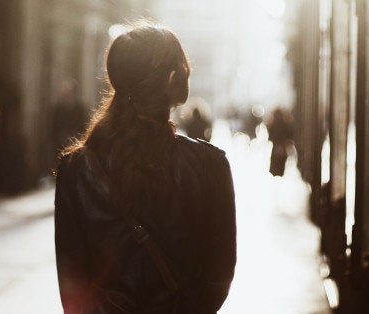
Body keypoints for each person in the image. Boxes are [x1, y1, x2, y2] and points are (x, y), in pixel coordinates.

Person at [54, 25, 236, 313]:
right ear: (175, 80)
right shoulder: (209, 166)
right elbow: (218, 278)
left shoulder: (76, 168)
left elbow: (72, 282)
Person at [52, 78, 89, 154]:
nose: (66, 95)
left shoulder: (79, 109)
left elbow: (83, 127)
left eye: (69, 92)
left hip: (76, 142)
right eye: (65, 92)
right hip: (60, 143)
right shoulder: (58, 110)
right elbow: (54, 128)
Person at [266, 108, 294, 177]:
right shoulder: (285, 123)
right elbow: (289, 135)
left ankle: (276, 177)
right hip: (282, 147)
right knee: (280, 165)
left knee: (275, 167)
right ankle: (279, 175)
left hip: (276, 147)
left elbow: (270, 136)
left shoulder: (272, 123)